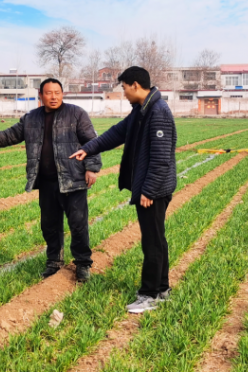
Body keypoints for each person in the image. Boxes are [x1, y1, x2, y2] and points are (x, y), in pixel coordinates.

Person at [70, 66, 177, 312]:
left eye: (124, 87)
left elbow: (161, 159)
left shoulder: (158, 112)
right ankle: (162, 289)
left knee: (152, 242)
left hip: (155, 190)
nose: (124, 92)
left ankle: (149, 294)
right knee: (157, 239)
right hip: (153, 187)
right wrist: (89, 148)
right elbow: (117, 133)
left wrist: (148, 191)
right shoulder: (142, 109)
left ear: (135, 85)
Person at [0, 78, 101, 282]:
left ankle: (82, 264)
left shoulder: (76, 114)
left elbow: (92, 142)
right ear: (40, 95)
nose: (53, 97)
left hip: (73, 180)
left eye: (57, 92)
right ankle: (54, 262)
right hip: (47, 181)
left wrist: (92, 168)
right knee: (49, 225)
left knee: (78, 225)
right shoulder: (31, 118)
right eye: (49, 93)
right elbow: (11, 135)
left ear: (62, 94)